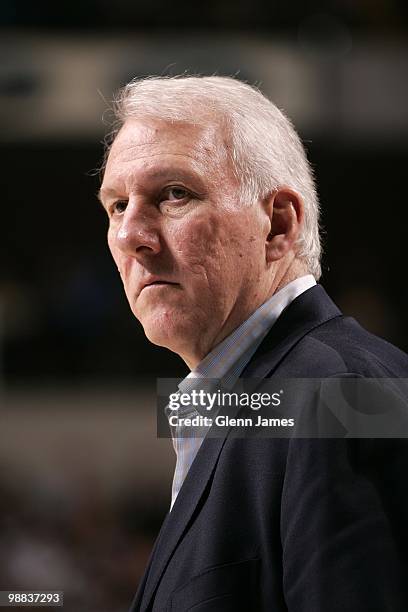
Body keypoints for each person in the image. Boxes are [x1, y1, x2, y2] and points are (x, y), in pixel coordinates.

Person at [98, 75, 408, 611]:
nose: (130, 235)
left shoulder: (342, 400)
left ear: (278, 225)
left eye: (174, 195)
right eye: (118, 205)